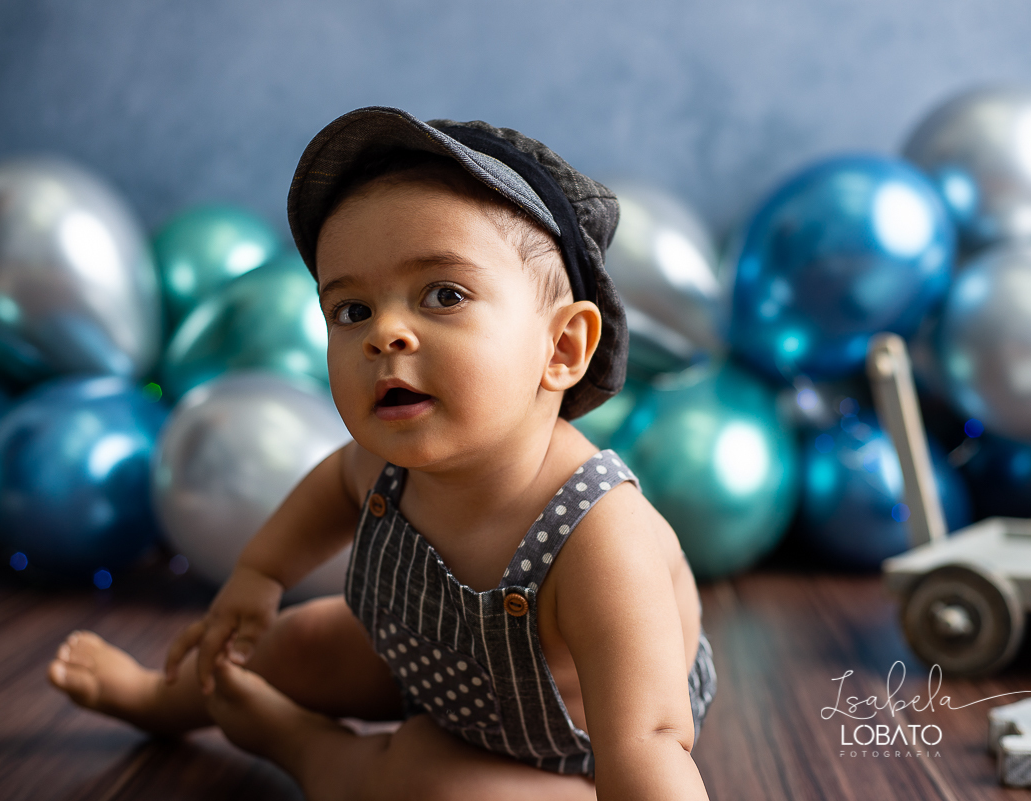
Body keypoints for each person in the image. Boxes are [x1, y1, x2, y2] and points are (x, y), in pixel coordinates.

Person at [48, 106, 716, 801]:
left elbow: (648, 741)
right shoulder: (390, 461)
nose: (385, 333)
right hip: (428, 659)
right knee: (288, 642)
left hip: (573, 752)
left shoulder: (601, 539)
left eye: (444, 294)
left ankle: (305, 746)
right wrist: (260, 574)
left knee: (430, 785)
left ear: (561, 347)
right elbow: (337, 484)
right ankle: (162, 697)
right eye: (352, 310)